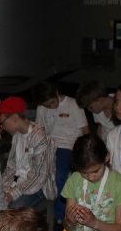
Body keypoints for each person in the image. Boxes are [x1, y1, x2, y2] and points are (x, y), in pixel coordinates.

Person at [34, 81, 89, 221]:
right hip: (49, 145)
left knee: (60, 175)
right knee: (34, 170)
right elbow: (39, 130)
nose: (51, 107)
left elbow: (85, 129)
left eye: (52, 102)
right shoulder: (41, 107)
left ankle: (59, 214)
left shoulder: (73, 104)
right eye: (47, 105)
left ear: (57, 93)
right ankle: (38, 207)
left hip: (69, 146)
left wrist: (86, 151)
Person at [0, 96, 56, 209]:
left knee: (14, 209)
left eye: (3, 123)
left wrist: (13, 194)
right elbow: (11, 167)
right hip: (20, 184)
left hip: (39, 187)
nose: (3, 128)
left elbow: (39, 176)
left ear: (14, 118)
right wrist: (3, 188)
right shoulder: (17, 136)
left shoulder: (40, 137)